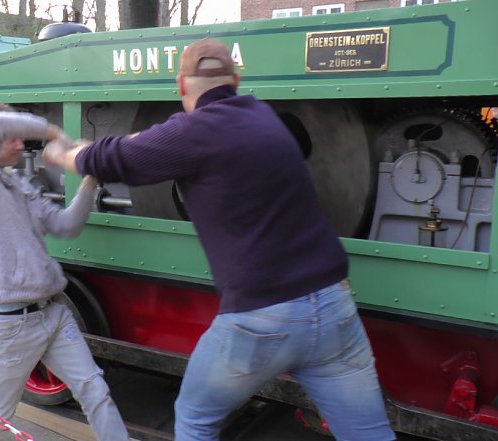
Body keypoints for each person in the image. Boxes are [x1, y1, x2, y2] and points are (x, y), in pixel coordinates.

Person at [43, 39, 395, 441]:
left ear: (180, 86)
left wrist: (61, 153)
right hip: (334, 306)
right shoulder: (263, 116)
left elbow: (112, 160)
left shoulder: (194, 132)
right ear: (236, 81)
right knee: (368, 434)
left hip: (263, 318)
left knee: (196, 417)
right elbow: (153, 141)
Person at [0, 99, 128, 441]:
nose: (20, 144)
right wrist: (56, 134)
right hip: (10, 324)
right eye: (12, 138)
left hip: (53, 313)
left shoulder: (18, 183)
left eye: (20, 137)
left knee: (94, 389)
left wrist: (91, 177)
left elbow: (65, 225)